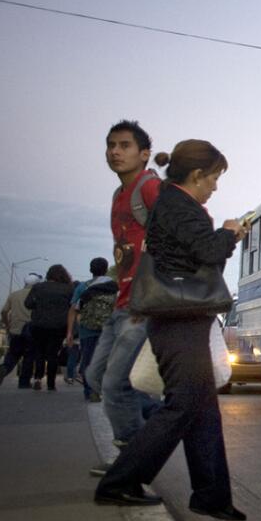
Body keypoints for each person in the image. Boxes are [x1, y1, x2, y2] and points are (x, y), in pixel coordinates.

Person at [95, 139, 248, 519]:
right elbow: (209, 253)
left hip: (179, 317)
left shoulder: (170, 202)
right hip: (180, 318)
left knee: (201, 406)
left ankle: (213, 496)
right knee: (182, 405)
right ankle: (120, 482)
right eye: (213, 178)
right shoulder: (180, 204)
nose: (215, 186)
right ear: (196, 175)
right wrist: (230, 232)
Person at [87, 120, 162, 474]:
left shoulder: (150, 187)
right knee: (96, 375)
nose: (115, 151)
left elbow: (182, 224)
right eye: (110, 145)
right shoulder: (119, 195)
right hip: (122, 302)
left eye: (124, 145)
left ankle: (133, 462)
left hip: (143, 305)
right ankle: (165, 420)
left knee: (117, 384)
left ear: (144, 154)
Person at [66, 258, 116, 402]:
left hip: (86, 329)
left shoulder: (83, 287)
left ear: (90, 270)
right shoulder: (114, 287)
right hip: (109, 330)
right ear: (106, 270)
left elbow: (73, 310)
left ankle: (90, 391)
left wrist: (69, 332)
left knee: (88, 360)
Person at [24, 265, 75, 391]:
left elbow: (28, 304)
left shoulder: (38, 287)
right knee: (53, 354)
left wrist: (39, 305)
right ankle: (51, 384)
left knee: (39, 352)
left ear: (48, 275)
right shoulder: (68, 289)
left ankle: (37, 378)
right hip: (58, 326)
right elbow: (73, 308)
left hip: (39, 324)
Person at [0, 274, 39, 388]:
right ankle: (24, 383)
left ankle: (5, 367)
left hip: (15, 330)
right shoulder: (38, 296)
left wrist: (7, 325)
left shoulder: (14, 295)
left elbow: (4, 312)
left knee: (13, 354)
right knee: (29, 357)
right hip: (31, 331)